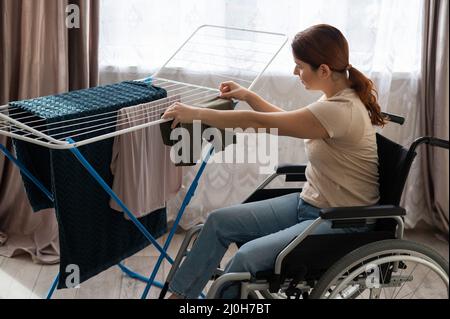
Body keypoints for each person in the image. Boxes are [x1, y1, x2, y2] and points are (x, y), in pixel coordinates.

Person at [162, 24, 387, 299]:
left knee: (244, 259)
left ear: (324, 70)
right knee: (218, 222)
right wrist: (248, 96)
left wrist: (196, 114)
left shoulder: (341, 110)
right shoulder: (335, 101)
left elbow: (260, 122)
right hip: (311, 205)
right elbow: (285, 120)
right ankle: (178, 298)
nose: (296, 73)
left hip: (340, 222)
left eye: (299, 66)